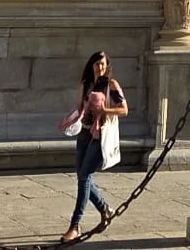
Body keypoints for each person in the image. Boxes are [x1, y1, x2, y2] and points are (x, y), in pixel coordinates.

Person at [62, 51, 127, 243]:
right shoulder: (86, 85)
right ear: (92, 66)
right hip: (84, 134)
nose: (100, 67)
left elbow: (124, 109)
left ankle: (75, 226)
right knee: (82, 176)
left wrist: (105, 110)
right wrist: (73, 118)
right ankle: (105, 209)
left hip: (101, 135)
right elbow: (80, 107)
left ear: (107, 66)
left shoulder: (111, 85)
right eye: (97, 63)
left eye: (103, 63)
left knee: (84, 177)